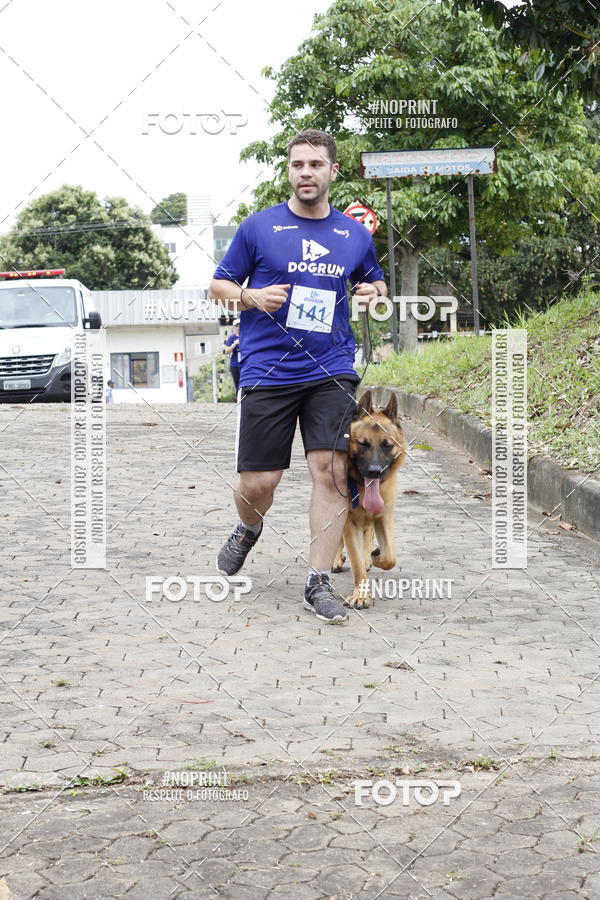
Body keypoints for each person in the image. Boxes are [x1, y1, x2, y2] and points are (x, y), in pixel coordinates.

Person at [210, 129, 387, 624]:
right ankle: (248, 529)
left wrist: (373, 293)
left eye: (315, 164)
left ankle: (318, 582)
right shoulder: (259, 227)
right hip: (267, 368)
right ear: (289, 171)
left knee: (332, 472)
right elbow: (218, 286)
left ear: (333, 171)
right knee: (258, 483)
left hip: (331, 366)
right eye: (297, 165)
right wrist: (249, 297)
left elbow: (374, 281)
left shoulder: (354, 234)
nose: (305, 172)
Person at [223, 319, 241, 391]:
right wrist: (234, 345)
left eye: (240, 325)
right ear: (234, 327)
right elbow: (226, 351)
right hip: (235, 364)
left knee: (246, 384)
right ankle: (238, 397)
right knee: (237, 385)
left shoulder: (246, 336)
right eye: (237, 325)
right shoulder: (231, 337)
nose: (239, 326)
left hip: (245, 364)